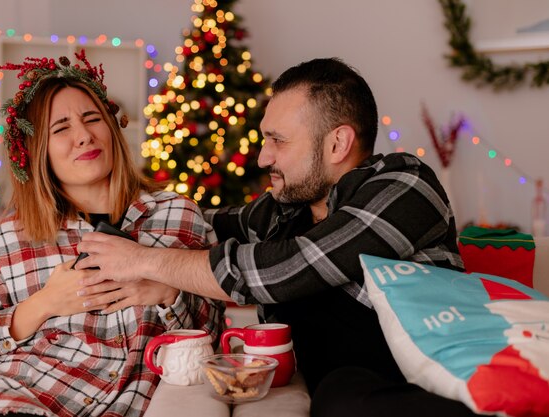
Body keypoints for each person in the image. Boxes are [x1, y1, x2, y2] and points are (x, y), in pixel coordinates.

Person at [76, 58, 486, 416]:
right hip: (335, 391)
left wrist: (144, 261)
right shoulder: (283, 211)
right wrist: (86, 195)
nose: (263, 157)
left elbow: (286, 268)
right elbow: (189, 222)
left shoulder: (405, 185)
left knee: (344, 396)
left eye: (278, 141)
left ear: (338, 143)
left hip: (434, 388)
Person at [0, 51, 224, 417]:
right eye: (61, 129)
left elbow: (214, 337)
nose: (84, 136)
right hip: (10, 396)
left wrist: (168, 295)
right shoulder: (10, 239)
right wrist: (42, 305)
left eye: (92, 119)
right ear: (38, 152)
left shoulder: (175, 216)